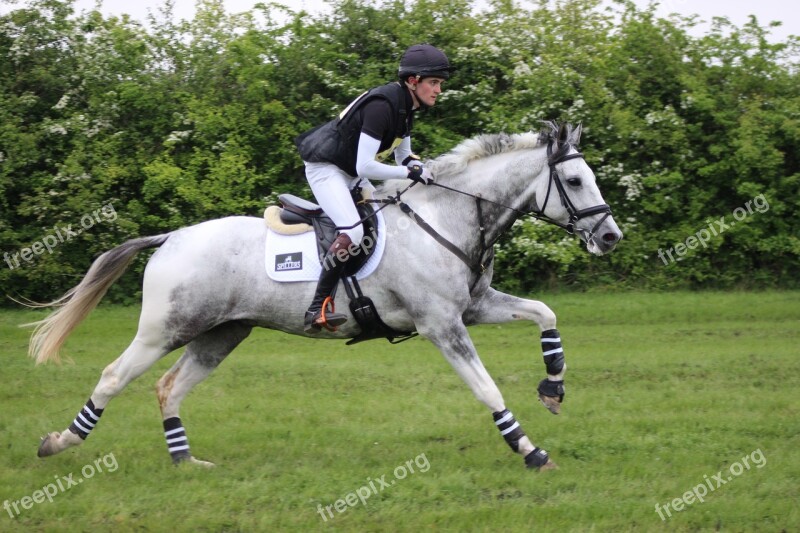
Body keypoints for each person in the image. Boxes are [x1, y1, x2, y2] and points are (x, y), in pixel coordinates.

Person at [295, 44, 452, 333]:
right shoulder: (383, 106)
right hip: (327, 169)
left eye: (439, 83)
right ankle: (316, 307)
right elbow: (367, 165)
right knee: (353, 230)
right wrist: (409, 172)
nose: (438, 90)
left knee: (386, 218)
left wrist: (422, 168)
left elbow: (403, 156)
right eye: (434, 82)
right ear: (413, 81)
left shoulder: (406, 108)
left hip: (350, 173)